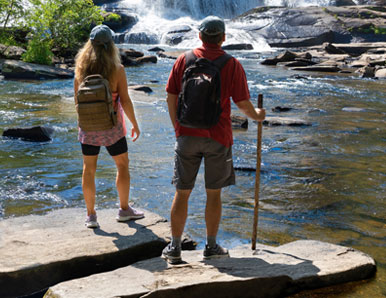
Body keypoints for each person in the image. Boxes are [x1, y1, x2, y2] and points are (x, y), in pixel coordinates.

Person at [163, 16, 266, 263]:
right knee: (213, 194)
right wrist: (258, 116)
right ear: (223, 38)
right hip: (218, 137)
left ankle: (174, 248)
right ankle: (211, 246)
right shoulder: (231, 64)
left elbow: (171, 96)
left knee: (182, 192)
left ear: (199, 36)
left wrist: (178, 127)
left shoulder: (183, 60)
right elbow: (242, 103)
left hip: (187, 135)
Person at [74, 24, 144, 228]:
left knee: (88, 169)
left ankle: (91, 216)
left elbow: (77, 102)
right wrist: (135, 125)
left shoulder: (79, 70)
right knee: (122, 165)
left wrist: (86, 124)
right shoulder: (117, 70)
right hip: (113, 127)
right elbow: (125, 100)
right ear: (110, 45)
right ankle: (124, 210)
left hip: (88, 127)